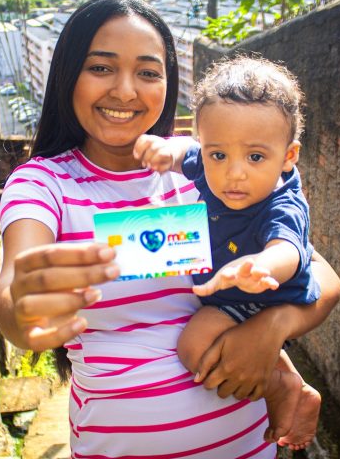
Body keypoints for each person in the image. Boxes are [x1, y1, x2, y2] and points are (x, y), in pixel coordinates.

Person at [0, 0, 340, 457]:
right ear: (68, 75)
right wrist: (24, 308)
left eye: (148, 72)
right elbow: (13, 285)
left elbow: (321, 276)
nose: (125, 90)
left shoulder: (211, 170)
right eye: (101, 68)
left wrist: (271, 327)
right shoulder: (46, 185)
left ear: (169, 82)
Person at [133, 56, 322, 449]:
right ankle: (286, 377)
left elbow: (289, 249)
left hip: (264, 293)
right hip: (235, 295)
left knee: (193, 346)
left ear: (288, 157)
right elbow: (187, 152)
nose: (234, 173)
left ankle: (283, 386)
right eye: (219, 155)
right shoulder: (208, 166)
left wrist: (259, 266)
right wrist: (165, 150)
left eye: (255, 157)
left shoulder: (280, 204)